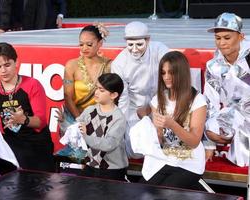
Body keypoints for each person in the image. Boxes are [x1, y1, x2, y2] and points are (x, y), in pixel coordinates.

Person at [0, 42, 55, 175]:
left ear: (16, 63)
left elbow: (41, 122)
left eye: (7, 65)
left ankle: (26, 171)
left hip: (37, 145)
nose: (3, 71)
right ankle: (9, 172)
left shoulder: (32, 84)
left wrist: (23, 119)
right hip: (12, 143)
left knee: (38, 187)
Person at [135, 51, 207, 189]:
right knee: (142, 191)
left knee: (165, 193)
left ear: (182, 73)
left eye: (171, 72)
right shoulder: (159, 99)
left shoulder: (197, 100)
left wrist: (172, 124)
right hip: (164, 159)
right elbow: (160, 139)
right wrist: (151, 129)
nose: (166, 77)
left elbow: (194, 141)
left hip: (189, 164)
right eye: (163, 73)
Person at [111, 21, 169, 158]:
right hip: (135, 110)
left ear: (148, 40)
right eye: (130, 45)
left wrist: (152, 108)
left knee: (169, 143)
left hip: (164, 102)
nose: (135, 49)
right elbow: (123, 98)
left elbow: (172, 79)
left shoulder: (160, 50)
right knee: (136, 149)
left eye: (139, 44)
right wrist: (122, 126)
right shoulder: (119, 63)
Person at [203, 12, 250, 167]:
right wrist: (209, 145)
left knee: (243, 163)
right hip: (235, 114)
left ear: (241, 37)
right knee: (211, 128)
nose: (221, 43)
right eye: (218, 38)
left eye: (227, 38)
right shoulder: (213, 66)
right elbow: (210, 101)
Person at [76, 73, 128, 181]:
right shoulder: (90, 110)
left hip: (112, 170)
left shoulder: (118, 118)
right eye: (96, 88)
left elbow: (108, 144)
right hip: (91, 166)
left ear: (113, 95)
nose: (96, 92)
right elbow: (76, 130)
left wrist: (86, 135)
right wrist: (64, 123)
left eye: (101, 90)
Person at [60, 23, 111, 133]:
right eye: (81, 44)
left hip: (102, 120)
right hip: (75, 120)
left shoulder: (109, 66)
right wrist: (80, 121)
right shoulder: (71, 66)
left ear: (100, 43)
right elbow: (67, 97)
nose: (84, 48)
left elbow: (113, 97)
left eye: (89, 44)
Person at [0, 0, 66, 33]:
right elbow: (6, 4)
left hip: (46, 26)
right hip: (20, 28)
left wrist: (60, 15)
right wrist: (2, 26)